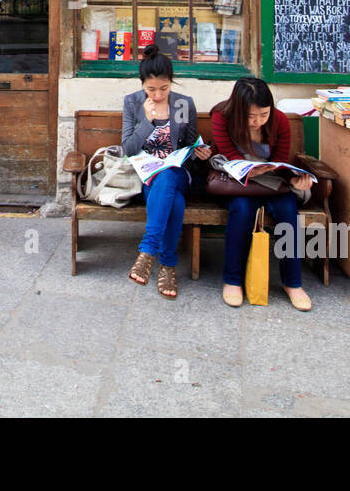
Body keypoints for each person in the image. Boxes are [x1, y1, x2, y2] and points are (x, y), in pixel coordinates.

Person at [209, 76, 313, 311]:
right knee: (243, 209)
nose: (257, 122)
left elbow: (281, 161)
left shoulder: (280, 122)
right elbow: (230, 157)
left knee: (288, 209)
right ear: (238, 110)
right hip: (238, 183)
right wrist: (250, 170)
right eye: (250, 116)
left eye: (263, 115)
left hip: (271, 181)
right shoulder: (221, 117)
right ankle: (233, 280)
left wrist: (296, 180)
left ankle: (293, 283)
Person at [123, 45, 212, 299]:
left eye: (164, 88)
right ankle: (168, 267)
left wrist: (199, 152)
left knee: (170, 175)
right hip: (148, 174)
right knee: (174, 199)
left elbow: (189, 144)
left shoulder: (183, 104)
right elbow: (128, 148)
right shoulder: (132, 103)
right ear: (142, 85)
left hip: (178, 172)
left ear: (171, 83)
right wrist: (147, 122)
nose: (159, 94)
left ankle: (148, 251)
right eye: (151, 89)